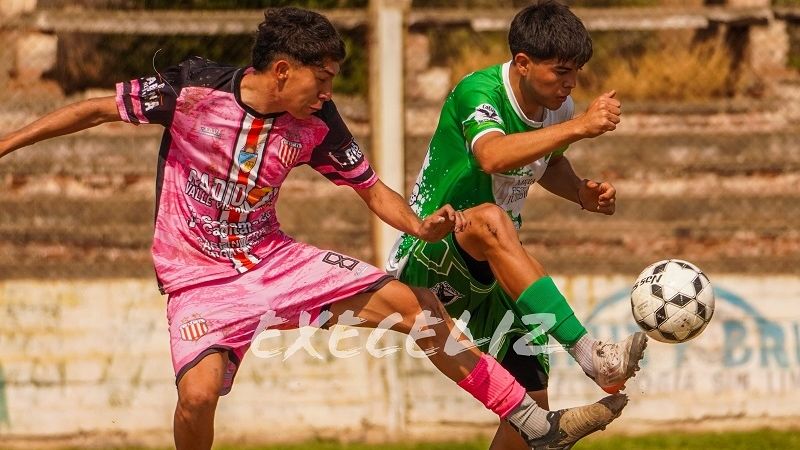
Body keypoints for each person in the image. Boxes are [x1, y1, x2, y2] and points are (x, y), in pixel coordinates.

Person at [0, 6, 629, 450]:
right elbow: (92, 110)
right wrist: (6, 143)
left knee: (417, 309)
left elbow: (370, 188)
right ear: (282, 70)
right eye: (321, 78)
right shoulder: (191, 90)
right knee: (197, 396)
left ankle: (535, 425)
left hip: (274, 260)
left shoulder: (318, 123)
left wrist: (421, 227)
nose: (328, 92)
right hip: (198, 278)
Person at [386, 2, 648, 449]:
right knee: (492, 220)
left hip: (493, 264)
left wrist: (580, 192)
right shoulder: (479, 92)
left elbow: (548, 161)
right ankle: (592, 355)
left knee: (531, 418)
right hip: (433, 251)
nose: (570, 83)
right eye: (561, 71)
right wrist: (580, 127)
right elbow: (492, 155)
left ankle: (581, 375)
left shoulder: (558, 107)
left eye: (576, 72)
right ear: (523, 63)